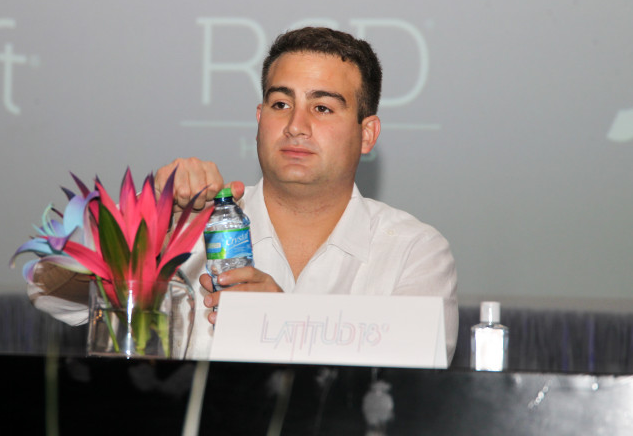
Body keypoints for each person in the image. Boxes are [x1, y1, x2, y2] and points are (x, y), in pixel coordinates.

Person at [153, 27, 458, 362]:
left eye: (322, 108)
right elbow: (101, 325)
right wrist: (150, 225)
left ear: (367, 134)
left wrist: (282, 322)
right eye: (281, 104)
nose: (295, 125)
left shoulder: (414, 252)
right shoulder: (188, 225)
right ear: (260, 119)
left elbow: (409, 381)